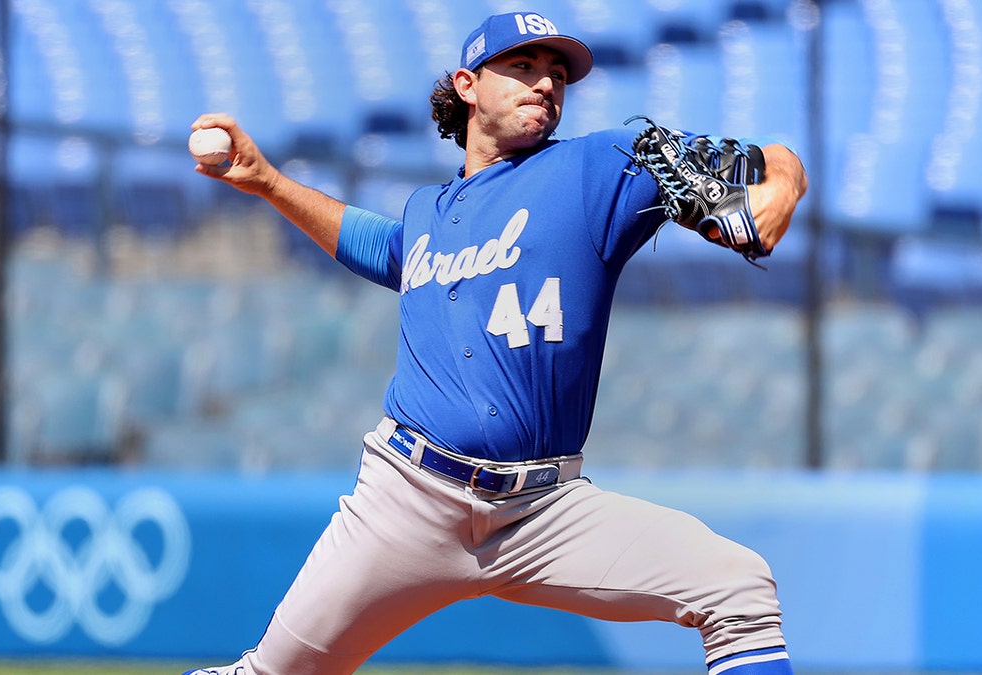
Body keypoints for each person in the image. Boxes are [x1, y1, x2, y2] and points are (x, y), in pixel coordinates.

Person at [183, 11, 807, 675]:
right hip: (407, 500)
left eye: (558, 73)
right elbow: (380, 245)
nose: (546, 83)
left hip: (544, 510)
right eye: (523, 66)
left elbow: (765, 151)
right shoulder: (428, 212)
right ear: (468, 84)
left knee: (738, 588)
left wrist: (785, 183)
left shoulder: (596, 168)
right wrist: (269, 183)